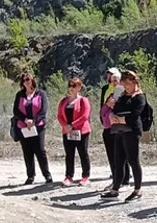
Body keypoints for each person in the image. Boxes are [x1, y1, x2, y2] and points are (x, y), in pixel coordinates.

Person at [102, 71, 146, 202]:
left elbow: (135, 114)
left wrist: (122, 120)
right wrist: (111, 114)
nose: (126, 86)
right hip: (119, 130)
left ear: (134, 82)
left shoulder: (139, 97)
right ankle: (115, 189)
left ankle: (137, 190)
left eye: (128, 84)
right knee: (118, 160)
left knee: (133, 160)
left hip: (132, 130)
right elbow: (115, 109)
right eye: (124, 84)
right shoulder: (122, 95)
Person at [14, 73, 53, 185]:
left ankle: (47, 175)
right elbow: (16, 111)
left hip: (38, 126)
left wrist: (34, 121)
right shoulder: (19, 95)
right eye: (24, 80)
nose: (27, 81)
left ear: (32, 80)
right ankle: (30, 176)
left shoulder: (41, 94)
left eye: (28, 79)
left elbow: (43, 110)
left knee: (40, 150)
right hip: (23, 126)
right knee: (27, 151)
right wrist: (26, 120)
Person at [57, 77, 92, 186]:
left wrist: (72, 125)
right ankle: (69, 176)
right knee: (69, 154)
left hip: (81, 131)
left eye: (74, 86)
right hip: (67, 132)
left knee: (83, 153)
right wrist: (65, 126)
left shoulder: (83, 100)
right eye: (70, 85)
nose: (71, 88)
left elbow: (85, 116)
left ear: (79, 87)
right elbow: (59, 116)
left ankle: (85, 176)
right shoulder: (63, 101)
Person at [100, 68, 130, 186]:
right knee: (112, 156)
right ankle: (116, 180)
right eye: (112, 80)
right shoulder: (109, 93)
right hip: (109, 127)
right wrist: (108, 105)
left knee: (123, 155)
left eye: (116, 80)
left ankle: (125, 180)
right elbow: (103, 110)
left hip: (121, 127)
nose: (114, 82)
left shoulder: (126, 95)